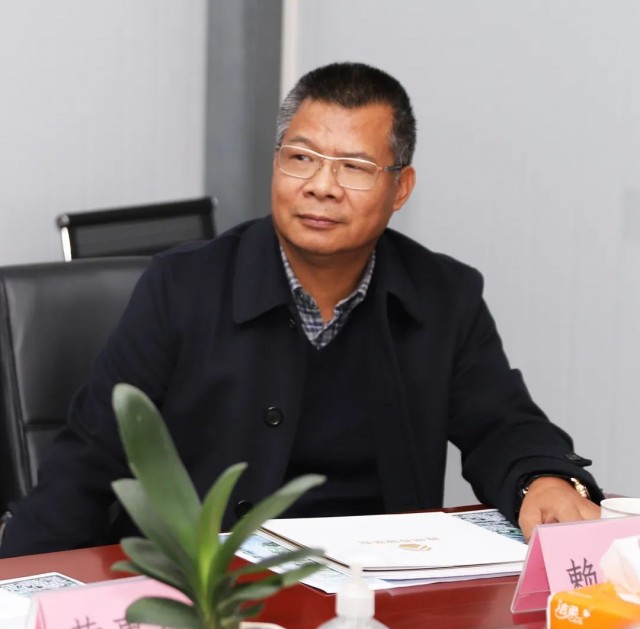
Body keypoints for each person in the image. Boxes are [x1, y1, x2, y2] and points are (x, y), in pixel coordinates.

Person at [0, 61, 602, 558]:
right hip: (211, 590)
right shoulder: (181, 286)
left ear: (401, 188)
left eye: (354, 168)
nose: (321, 185)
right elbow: (89, 459)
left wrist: (543, 479)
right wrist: (20, 588)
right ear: (277, 163)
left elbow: (502, 424)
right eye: (302, 157)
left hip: (373, 590)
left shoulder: (444, 294)